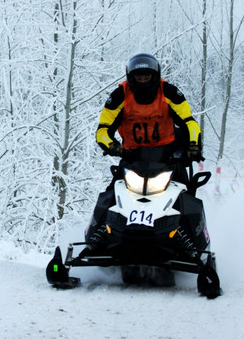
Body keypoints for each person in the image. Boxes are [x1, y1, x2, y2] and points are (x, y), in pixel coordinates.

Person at [82, 53, 203, 256]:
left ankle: (195, 248)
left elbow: (189, 122)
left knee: (186, 197)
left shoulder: (169, 92)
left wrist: (193, 145)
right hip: (133, 158)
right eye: (139, 77)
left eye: (147, 77)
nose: (143, 81)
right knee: (109, 196)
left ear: (155, 76)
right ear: (131, 77)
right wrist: (113, 147)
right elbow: (102, 130)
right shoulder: (120, 95)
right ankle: (93, 244)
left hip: (168, 158)